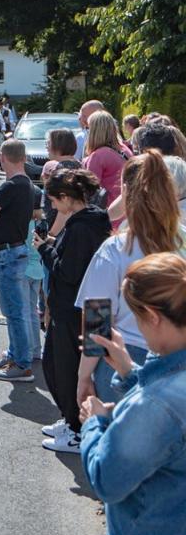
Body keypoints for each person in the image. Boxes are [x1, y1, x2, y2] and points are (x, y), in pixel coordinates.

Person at [80, 253, 186, 535]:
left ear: (154, 317)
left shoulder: (156, 405)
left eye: (139, 317)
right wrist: (128, 371)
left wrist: (94, 421)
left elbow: (108, 479)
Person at [76, 149, 186, 407]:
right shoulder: (181, 239)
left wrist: (83, 376)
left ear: (127, 193)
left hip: (122, 359)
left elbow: (97, 320)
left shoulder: (115, 250)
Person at [35, 168, 111, 454]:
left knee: (66, 370)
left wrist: (45, 250)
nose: (53, 206)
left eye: (55, 201)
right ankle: (70, 419)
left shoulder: (81, 227)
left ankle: (78, 429)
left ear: (67, 198)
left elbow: (68, 272)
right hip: (80, 309)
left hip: (75, 311)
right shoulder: (91, 221)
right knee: (57, 366)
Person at [0, 138, 38, 383]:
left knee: (14, 312)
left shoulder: (10, 186)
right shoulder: (27, 185)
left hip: (7, 255)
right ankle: (15, 354)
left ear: (2, 158)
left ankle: (22, 364)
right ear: (23, 158)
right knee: (17, 310)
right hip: (16, 250)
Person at [82, 110, 130, 206]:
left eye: (88, 128)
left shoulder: (98, 156)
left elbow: (89, 190)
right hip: (128, 208)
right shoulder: (125, 149)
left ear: (94, 131)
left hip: (110, 213)